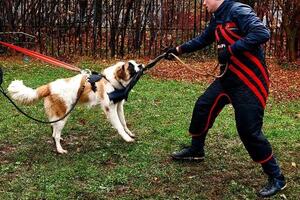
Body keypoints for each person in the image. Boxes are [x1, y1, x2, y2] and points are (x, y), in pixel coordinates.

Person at [165, 0, 286, 197]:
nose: (203, 2)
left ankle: (277, 177)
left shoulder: (239, 10)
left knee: (248, 130)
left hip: (249, 81)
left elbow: (262, 33)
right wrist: (178, 50)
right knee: (203, 107)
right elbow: (204, 39)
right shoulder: (218, 17)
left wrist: (230, 50)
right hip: (227, 79)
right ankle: (197, 150)